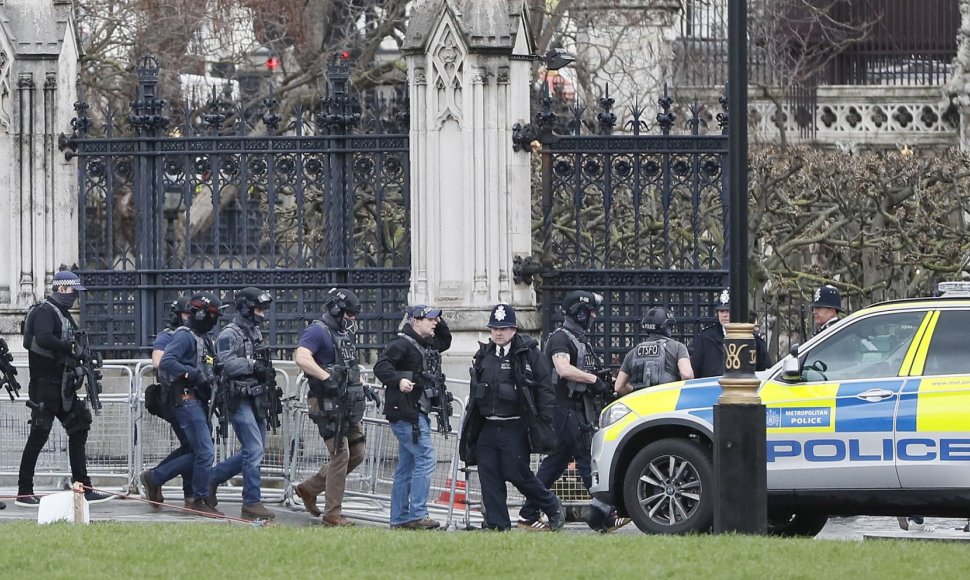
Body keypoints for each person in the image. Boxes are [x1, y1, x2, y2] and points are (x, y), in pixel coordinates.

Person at [517, 290, 628, 533]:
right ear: (579, 312)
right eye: (591, 312)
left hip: (575, 409)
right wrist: (592, 379)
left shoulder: (578, 337)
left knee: (557, 463)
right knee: (584, 457)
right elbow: (563, 369)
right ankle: (603, 514)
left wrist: (599, 381)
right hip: (562, 409)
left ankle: (529, 513)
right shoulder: (561, 338)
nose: (595, 316)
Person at [459, 303, 564, 531]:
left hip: (515, 425)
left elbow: (545, 389)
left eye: (504, 328)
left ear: (514, 329)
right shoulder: (484, 354)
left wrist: (544, 421)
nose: (498, 333)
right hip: (488, 425)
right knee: (489, 476)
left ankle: (551, 505)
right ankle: (498, 526)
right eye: (495, 328)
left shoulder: (528, 354)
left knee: (517, 473)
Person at [17, 270, 113, 507]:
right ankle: (24, 491)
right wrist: (69, 348)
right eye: (73, 292)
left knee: (79, 428)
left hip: (63, 386)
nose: (75, 298)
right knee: (39, 434)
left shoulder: (63, 314)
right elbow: (44, 337)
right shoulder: (44, 311)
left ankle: (83, 487)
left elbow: (73, 342)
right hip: (44, 386)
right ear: (61, 289)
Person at [292, 288, 368, 527]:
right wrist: (326, 377)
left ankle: (310, 488)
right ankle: (332, 513)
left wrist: (362, 385)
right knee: (341, 454)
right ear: (336, 309)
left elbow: (348, 366)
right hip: (325, 402)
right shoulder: (317, 331)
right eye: (349, 313)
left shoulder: (343, 335)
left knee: (357, 453)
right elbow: (301, 357)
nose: (352, 319)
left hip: (347, 401)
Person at [373, 304, 452, 530]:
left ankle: (399, 518)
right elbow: (381, 367)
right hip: (407, 414)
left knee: (406, 466)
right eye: (430, 320)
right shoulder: (401, 345)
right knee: (426, 459)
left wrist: (438, 316)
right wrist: (398, 380)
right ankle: (418, 514)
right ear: (416, 321)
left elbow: (445, 341)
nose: (435, 324)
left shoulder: (426, 344)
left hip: (415, 412)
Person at [204, 287, 277, 520]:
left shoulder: (255, 331)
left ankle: (212, 477)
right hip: (238, 398)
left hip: (257, 397)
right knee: (254, 449)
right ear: (245, 308)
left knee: (254, 450)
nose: (262, 314)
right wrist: (252, 364)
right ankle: (251, 502)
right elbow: (224, 364)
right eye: (258, 309)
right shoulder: (229, 333)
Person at [156, 292, 223, 517]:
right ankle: (199, 498)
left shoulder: (205, 339)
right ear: (201, 313)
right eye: (212, 314)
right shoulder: (185, 336)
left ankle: (155, 477)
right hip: (186, 398)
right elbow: (166, 361)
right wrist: (193, 375)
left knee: (199, 451)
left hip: (200, 400)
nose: (214, 319)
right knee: (205, 451)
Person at [140, 296, 194, 509]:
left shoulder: (195, 336)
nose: (191, 318)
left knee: (191, 446)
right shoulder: (169, 335)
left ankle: (184, 491)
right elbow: (158, 361)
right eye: (187, 314)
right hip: (174, 398)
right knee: (194, 447)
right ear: (179, 314)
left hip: (192, 398)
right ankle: (156, 477)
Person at [691, 289, 770, 379]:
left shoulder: (754, 340)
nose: (724, 315)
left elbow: (765, 371)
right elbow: (695, 371)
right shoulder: (705, 338)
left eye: (728, 311)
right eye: (721, 311)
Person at [614, 307, 694, 396]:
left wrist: (634, 390)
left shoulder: (632, 353)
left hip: (640, 404)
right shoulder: (678, 347)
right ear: (666, 327)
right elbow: (687, 375)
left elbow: (618, 387)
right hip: (668, 401)